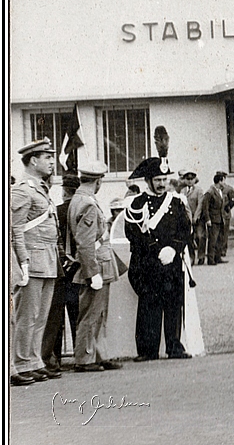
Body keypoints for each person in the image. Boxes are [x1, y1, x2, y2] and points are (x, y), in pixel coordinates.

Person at [124, 156, 193, 361]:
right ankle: (147, 350)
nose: (162, 184)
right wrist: (156, 251)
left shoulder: (176, 202)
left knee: (173, 304)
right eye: (157, 180)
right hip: (149, 264)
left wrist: (174, 248)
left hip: (171, 262)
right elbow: (133, 234)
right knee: (149, 306)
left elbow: (185, 230)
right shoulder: (137, 203)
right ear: (148, 181)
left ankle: (174, 347)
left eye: (164, 179)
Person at [11, 139, 60, 385]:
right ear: (33, 160)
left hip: (47, 259)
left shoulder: (39, 188)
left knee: (40, 316)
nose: (52, 161)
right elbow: (15, 230)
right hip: (32, 260)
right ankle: (19, 363)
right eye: (47, 157)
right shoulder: (22, 189)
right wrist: (23, 262)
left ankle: (33, 361)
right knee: (26, 316)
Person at [68, 160, 122, 372]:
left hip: (98, 264)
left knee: (97, 313)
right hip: (96, 266)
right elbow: (85, 242)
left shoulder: (80, 199)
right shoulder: (88, 204)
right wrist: (92, 274)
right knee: (91, 313)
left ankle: (98, 355)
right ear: (97, 181)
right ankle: (84, 359)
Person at [40, 172, 81, 376]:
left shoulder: (57, 210)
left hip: (58, 268)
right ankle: (79, 355)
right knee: (76, 314)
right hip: (74, 269)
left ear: (64, 190)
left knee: (53, 318)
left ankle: (52, 358)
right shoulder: (80, 208)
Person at [199, 172, 232, 265]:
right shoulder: (210, 192)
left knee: (220, 239)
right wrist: (208, 219)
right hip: (213, 219)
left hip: (220, 218)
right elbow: (205, 207)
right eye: (223, 180)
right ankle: (211, 259)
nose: (224, 182)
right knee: (213, 240)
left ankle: (218, 257)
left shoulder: (219, 191)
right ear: (220, 181)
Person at [180, 170, 206, 264]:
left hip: (198, 218)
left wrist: (196, 217)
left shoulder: (199, 190)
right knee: (189, 238)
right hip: (187, 218)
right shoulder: (183, 191)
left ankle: (201, 256)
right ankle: (191, 257)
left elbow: (200, 204)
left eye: (192, 179)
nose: (190, 181)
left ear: (195, 179)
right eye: (188, 179)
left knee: (200, 236)